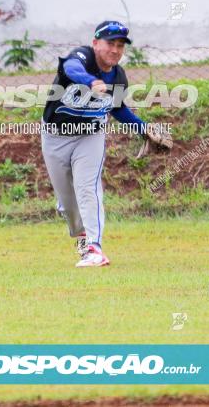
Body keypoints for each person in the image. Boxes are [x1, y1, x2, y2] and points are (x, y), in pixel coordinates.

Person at [40, 20, 171, 268]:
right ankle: (82, 239)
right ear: (95, 43)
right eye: (110, 43)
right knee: (68, 205)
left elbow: (117, 108)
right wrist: (90, 81)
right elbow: (70, 67)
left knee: (87, 188)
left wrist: (143, 129)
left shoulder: (118, 76)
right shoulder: (82, 57)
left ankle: (94, 249)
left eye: (120, 45)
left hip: (90, 136)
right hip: (55, 136)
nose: (115, 49)